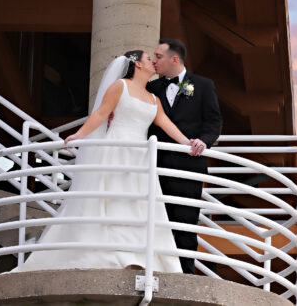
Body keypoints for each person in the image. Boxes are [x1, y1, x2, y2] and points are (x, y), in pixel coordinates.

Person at [12, 50, 205, 272]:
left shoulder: (153, 98)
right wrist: (79, 135)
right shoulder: (120, 86)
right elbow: (102, 113)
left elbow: (165, 123)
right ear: (137, 65)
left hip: (140, 157)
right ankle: (111, 255)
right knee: (113, 199)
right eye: (147, 58)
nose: (153, 62)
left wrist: (186, 143)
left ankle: (138, 256)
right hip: (116, 149)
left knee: (138, 203)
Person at [148, 39, 222, 274]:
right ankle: (156, 268)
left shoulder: (203, 85)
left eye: (158, 56)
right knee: (155, 217)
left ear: (175, 59)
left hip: (189, 165)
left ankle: (185, 272)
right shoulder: (151, 88)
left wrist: (204, 140)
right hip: (155, 165)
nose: (154, 61)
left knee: (186, 219)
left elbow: (213, 121)